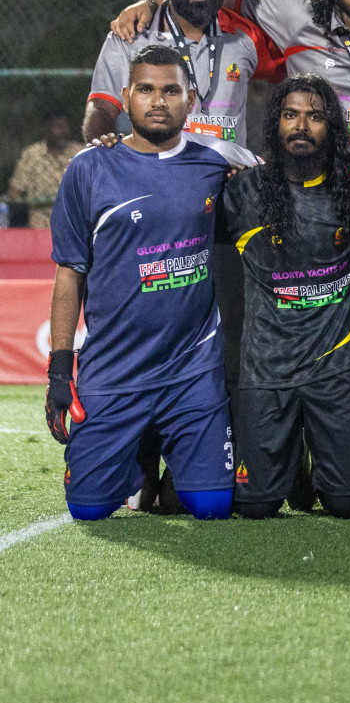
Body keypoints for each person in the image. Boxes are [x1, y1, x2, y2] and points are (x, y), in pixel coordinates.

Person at [45, 44, 237, 521]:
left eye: (171, 90)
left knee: (212, 506)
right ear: (126, 96)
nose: (158, 100)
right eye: (146, 90)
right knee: (88, 508)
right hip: (115, 370)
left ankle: (180, 460)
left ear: (190, 100)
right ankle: (134, 462)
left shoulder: (218, 164)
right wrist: (58, 371)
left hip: (192, 370)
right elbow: (69, 274)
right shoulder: (88, 169)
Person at [216, 74, 350, 519]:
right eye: (290, 114)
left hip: (335, 368)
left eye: (314, 116)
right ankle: (292, 461)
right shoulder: (243, 192)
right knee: (255, 507)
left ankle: (317, 462)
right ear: (275, 123)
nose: (301, 125)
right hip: (266, 369)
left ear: (331, 127)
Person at [87, 0, 283, 151]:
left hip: (228, 179)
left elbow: (296, 66)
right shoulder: (131, 35)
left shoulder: (245, 35)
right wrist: (100, 151)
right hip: (155, 178)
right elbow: (101, 107)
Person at [8, 114, 82, 227]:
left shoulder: (80, 153)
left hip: (74, 220)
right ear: (46, 130)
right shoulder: (32, 154)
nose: (62, 132)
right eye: (57, 127)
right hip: (40, 221)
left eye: (64, 127)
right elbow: (15, 191)